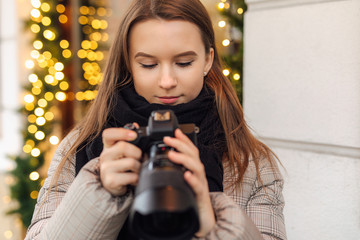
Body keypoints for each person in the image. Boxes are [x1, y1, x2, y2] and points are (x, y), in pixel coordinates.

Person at [25, 0, 287, 239]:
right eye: (149, 65)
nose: (167, 82)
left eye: (184, 63)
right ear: (129, 63)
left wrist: (212, 222)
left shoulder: (251, 162)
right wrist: (99, 193)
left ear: (208, 60)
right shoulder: (80, 147)